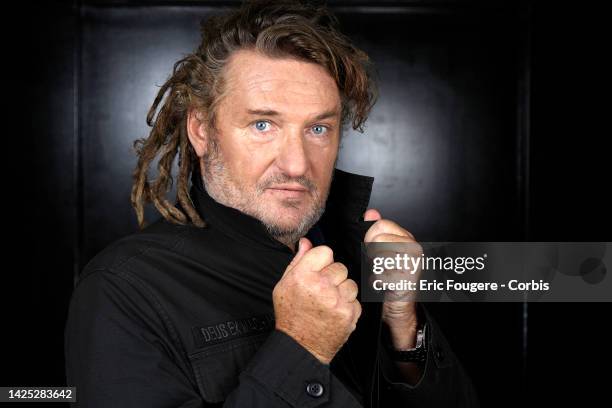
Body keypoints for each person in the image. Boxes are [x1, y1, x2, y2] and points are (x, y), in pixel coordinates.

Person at [65, 1, 479, 406]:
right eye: (263, 124)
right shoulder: (123, 290)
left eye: (318, 128)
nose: (297, 164)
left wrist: (404, 325)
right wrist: (301, 347)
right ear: (201, 129)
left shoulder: (362, 259)